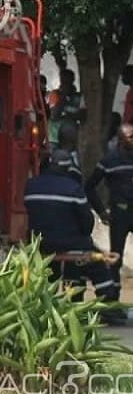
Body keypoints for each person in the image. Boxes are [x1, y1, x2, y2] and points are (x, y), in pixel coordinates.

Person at [25, 149, 119, 309]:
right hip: (70, 242)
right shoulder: (73, 188)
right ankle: (108, 304)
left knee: (51, 268)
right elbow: (87, 221)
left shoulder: (31, 186)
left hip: (38, 243)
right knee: (99, 265)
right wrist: (83, 237)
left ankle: (44, 302)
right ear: (68, 168)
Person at [85, 123, 133, 300]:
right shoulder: (109, 161)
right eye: (130, 137)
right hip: (119, 214)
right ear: (121, 139)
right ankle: (113, 298)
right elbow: (89, 187)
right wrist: (101, 212)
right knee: (116, 257)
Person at [47, 69, 86, 151]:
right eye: (63, 81)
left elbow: (82, 116)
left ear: (73, 80)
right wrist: (63, 97)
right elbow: (54, 115)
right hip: (54, 138)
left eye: (68, 81)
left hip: (71, 138)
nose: (65, 84)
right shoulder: (54, 94)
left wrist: (66, 114)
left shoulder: (78, 97)